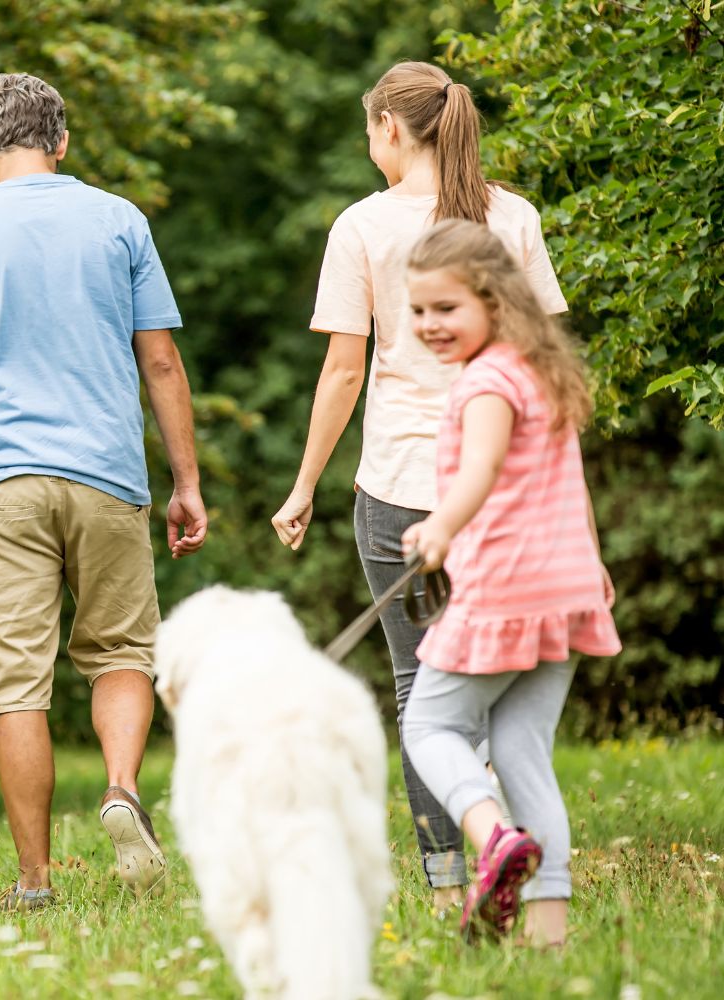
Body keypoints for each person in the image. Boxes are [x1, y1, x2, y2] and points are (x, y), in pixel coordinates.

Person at [0, 72, 208, 909]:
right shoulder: (120, 220)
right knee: (120, 652)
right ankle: (119, 788)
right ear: (62, 141)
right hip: (109, 475)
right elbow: (160, 362)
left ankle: (34, 886)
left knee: (15, 686)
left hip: (2, 484)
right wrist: (185, 481)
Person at [269, 61, 569, 910]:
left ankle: (451, 881)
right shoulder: (512, 217)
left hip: (404, 483)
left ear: (391, 130)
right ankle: (534, 873)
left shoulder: (363, 226)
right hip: (509, 485)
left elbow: (341, 372)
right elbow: (549, 367)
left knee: (420, 684)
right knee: (512, 683)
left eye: (371, 133)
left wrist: (303, 487)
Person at [398, 219, 620, 945]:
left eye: (446, 308)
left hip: (503, 587)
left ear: (494, 301)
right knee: (524, 754)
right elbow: (571, 486)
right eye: (419, 310)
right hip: (561, 587)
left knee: (428, 725)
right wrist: (591, 565)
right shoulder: (538, 369)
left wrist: (440, 528)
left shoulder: (488, 381)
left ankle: (490, 837)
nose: (429, 324)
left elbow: (482, 470)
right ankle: (548, 938)